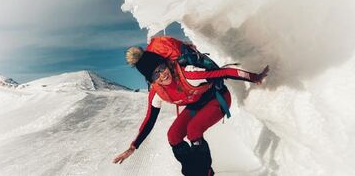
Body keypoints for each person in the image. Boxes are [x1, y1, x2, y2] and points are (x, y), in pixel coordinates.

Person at [113, 36, 269, 176]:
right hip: (196, 103)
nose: (162, 75)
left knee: (193, 130)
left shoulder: (189, 74)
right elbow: (150, 120)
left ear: (167, 64)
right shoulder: (157, 92)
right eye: (155, 74)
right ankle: (192, 173)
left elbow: (224, 72)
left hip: (217, 98)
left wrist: (255, 77)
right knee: (173, 135)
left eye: (162, 68)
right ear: (151, 80)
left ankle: (206, 173)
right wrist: (134, 146)